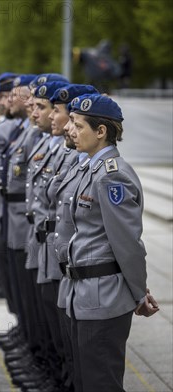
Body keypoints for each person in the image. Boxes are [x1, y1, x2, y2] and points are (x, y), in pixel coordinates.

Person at [63, 93, 159, 391]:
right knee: (85, 381)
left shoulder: (111, 177)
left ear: (101, 131)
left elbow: (128, 244)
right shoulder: (89, 168)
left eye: (78, 126)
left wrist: (137, 294)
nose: (71, 131)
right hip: (84, 296)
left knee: (100, 382)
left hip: (102, 297)